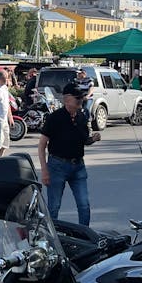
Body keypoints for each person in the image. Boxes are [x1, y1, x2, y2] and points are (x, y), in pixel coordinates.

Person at [38, 80, 99, 226]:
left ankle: (85, 236)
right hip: (57, 165)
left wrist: (93, 139)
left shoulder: (82, 116)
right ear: (66, 99)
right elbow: (41, 145)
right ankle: (53, 239)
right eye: (76, 97)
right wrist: (44, 171)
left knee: (84, 205)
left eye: (81, 97)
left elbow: (84, 140)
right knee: (54, 207)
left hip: (78, 166)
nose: (80, 100)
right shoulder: (55, 118)